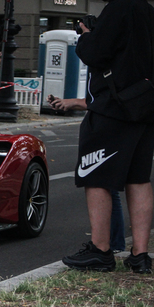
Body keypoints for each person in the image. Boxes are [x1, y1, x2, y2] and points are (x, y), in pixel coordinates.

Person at [61, 0, 154, 274]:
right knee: (139, 178)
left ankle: (100, 250)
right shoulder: (149, 12)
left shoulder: (118, 10)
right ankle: (140, 255)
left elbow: (95, 54)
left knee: (95, 175)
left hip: (113, 108)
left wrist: (86, 35)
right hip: (146, 105)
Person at [49, 95, 125, 253]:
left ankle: (109, 246)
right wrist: (68, 104)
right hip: (107, 125)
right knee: (108, 187)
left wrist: (74, 102)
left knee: (103, 184)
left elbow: (106, 99)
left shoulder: (108, 72)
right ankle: (113, 244)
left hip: (108, 128)